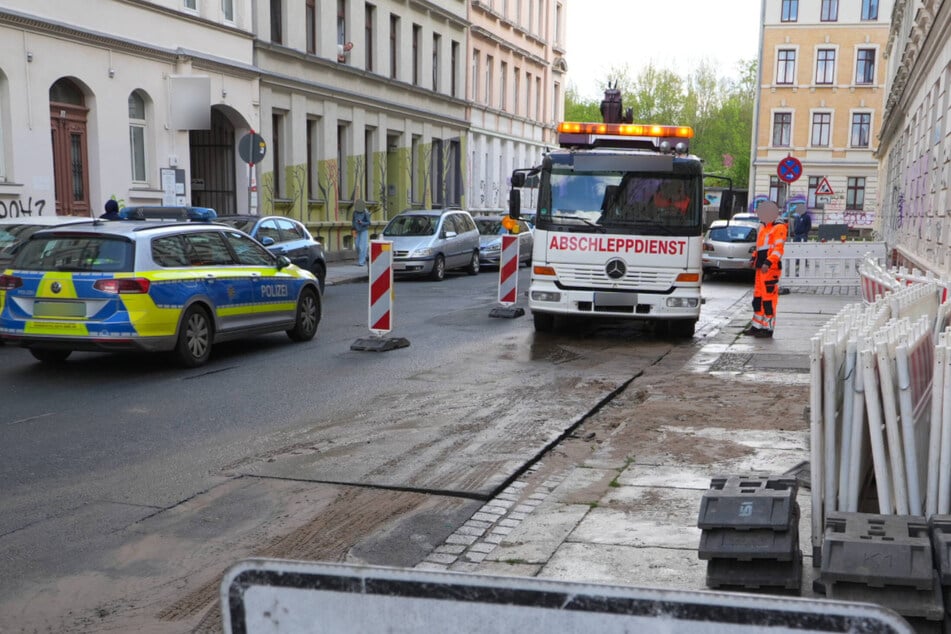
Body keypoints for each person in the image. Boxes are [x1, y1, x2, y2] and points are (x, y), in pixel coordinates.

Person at [743, 200, 787, 338]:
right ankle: (757, 326)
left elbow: (778, 250)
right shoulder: (763, 226)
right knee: (758, 299)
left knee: (768, 300)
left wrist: (768, 262)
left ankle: (768, 328)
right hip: (760, 267)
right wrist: (753, 258)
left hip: (770, 269)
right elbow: (760, 246)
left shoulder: (779, 227)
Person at [351, 200, 371, 266]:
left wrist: (362, 222)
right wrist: (353, 229)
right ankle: (364, 257)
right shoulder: (355, 212)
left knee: (362, 246)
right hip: (356, 230)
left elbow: (369, 223)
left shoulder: (366, 212)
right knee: (357, 246)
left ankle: (361, 262)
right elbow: (353, 221)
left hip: (363, 230)